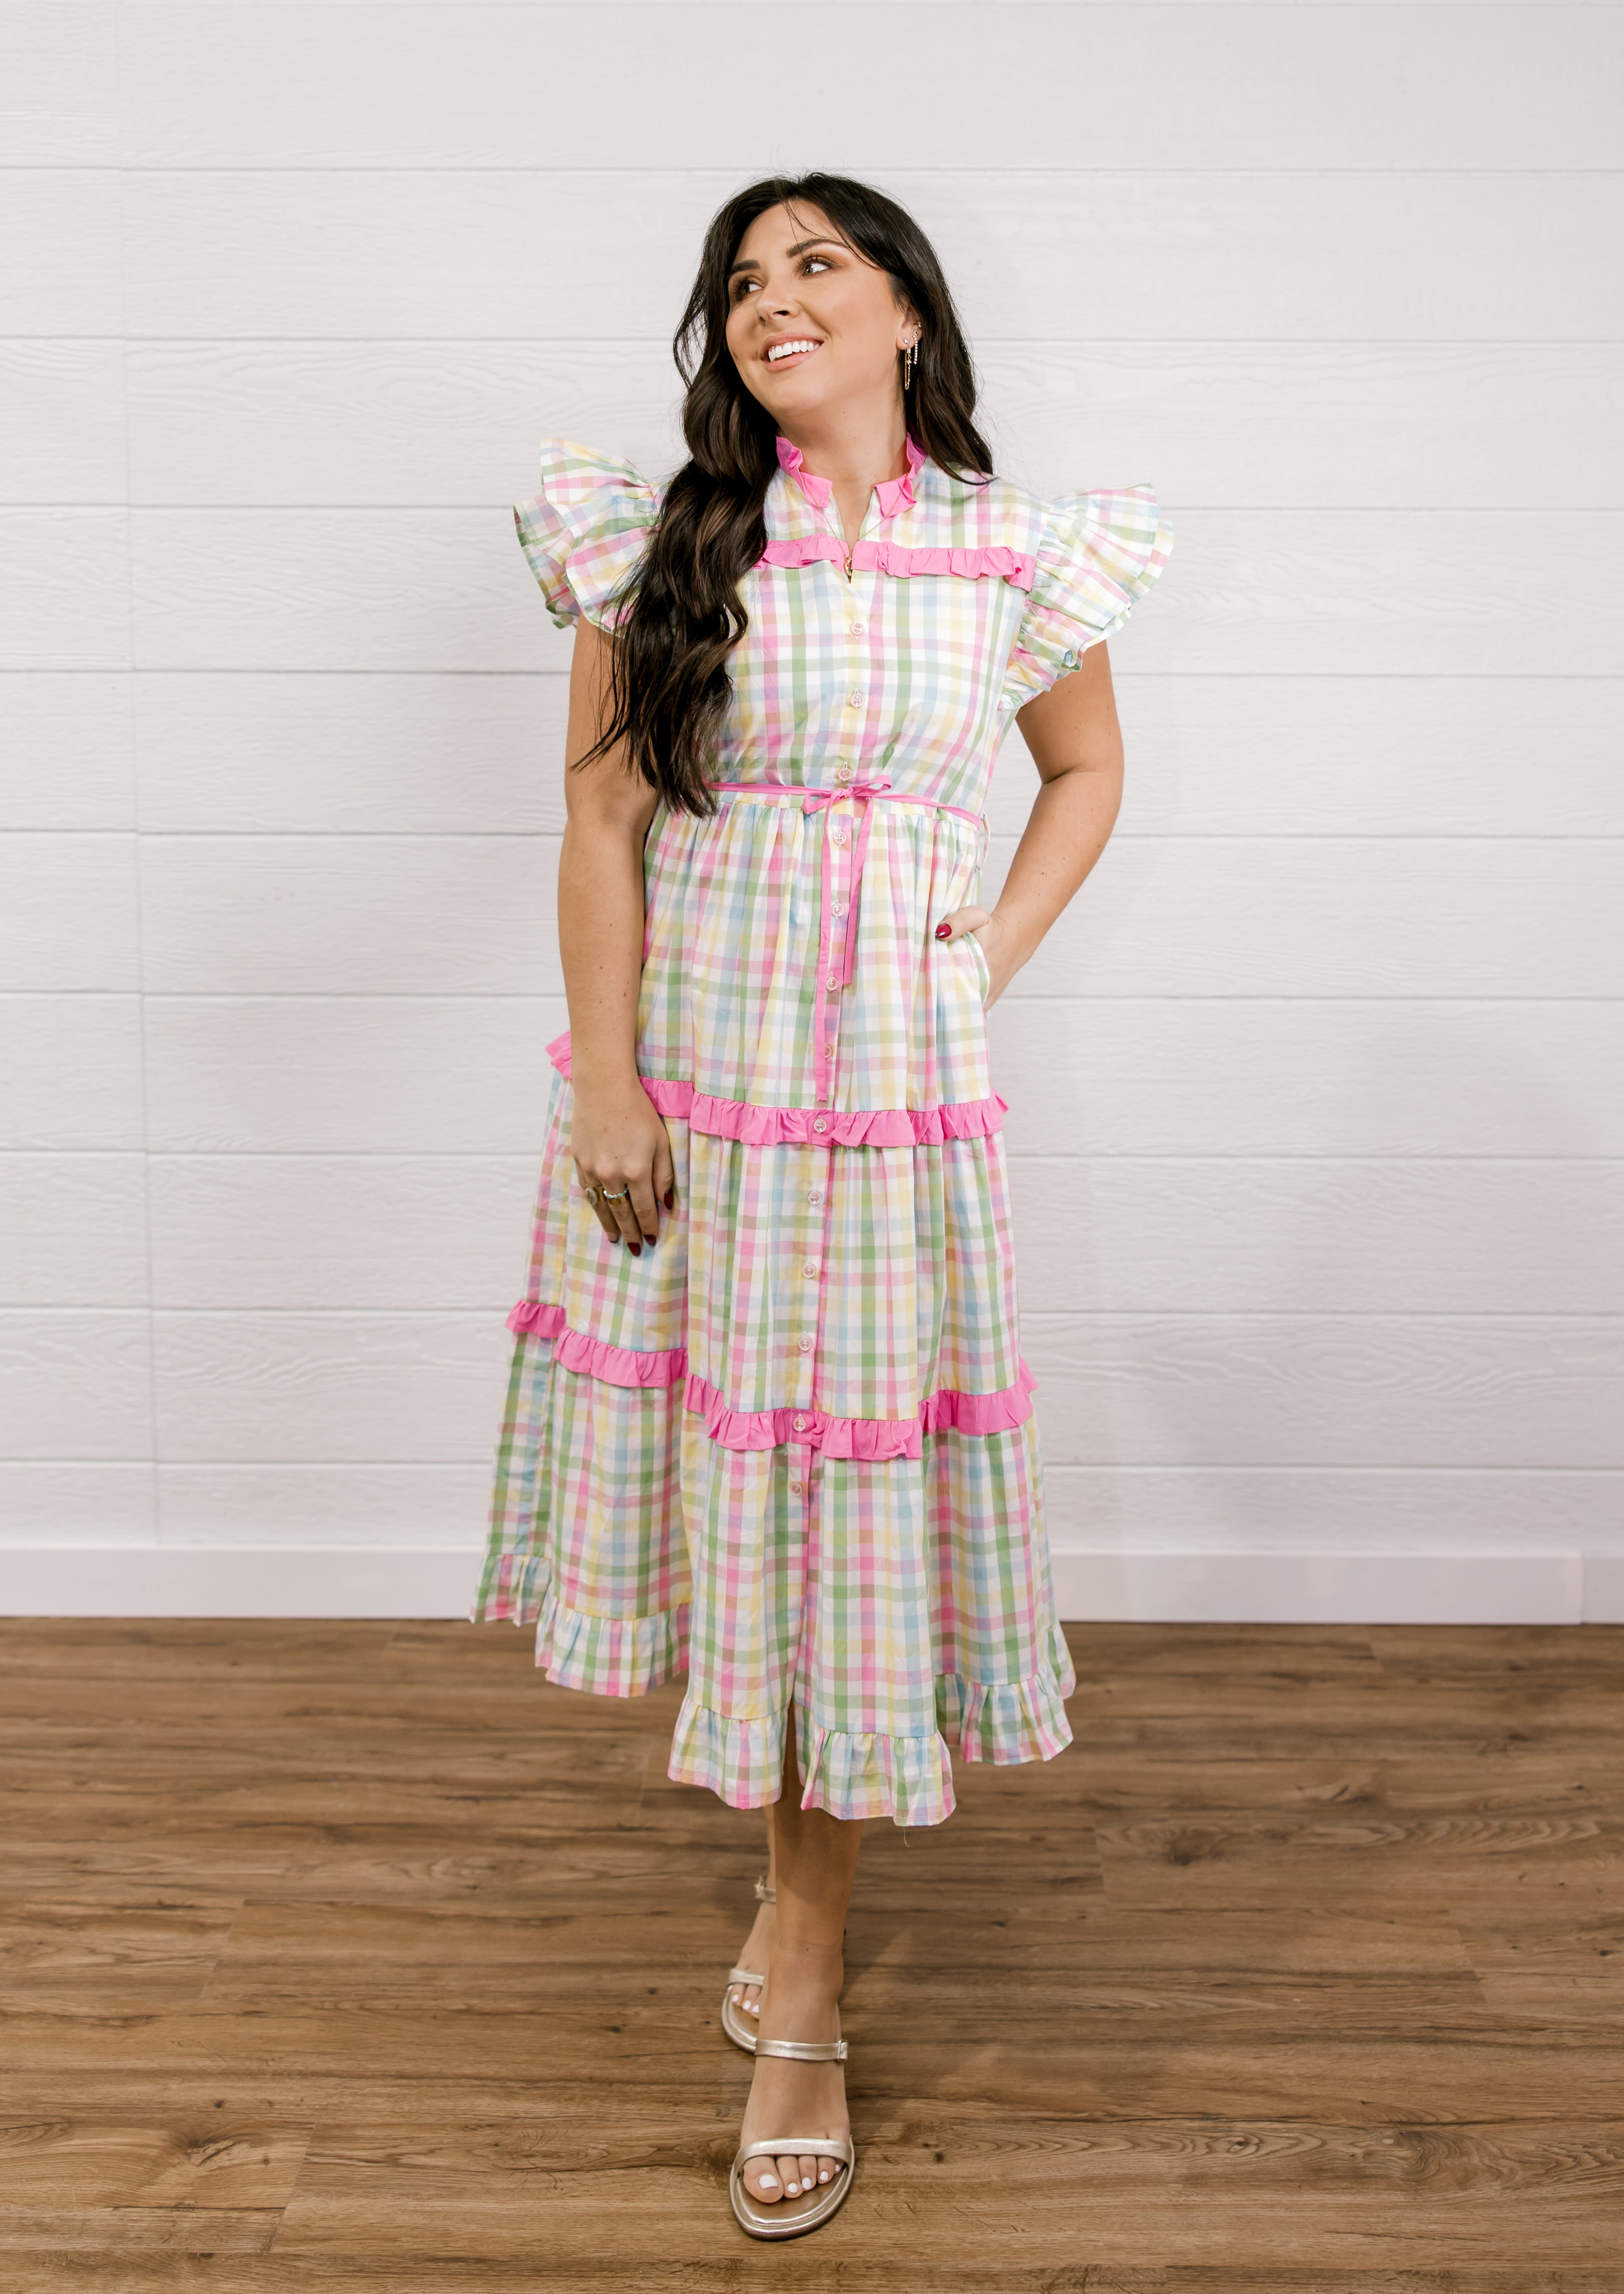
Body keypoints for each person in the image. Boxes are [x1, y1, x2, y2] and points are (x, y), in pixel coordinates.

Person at [474, 173, 1172, 2239]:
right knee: (734, 1501)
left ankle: (803, 1988)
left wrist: (980, 958)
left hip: (894, 1103)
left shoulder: (1010, 551)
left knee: (842, 1512)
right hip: (702, 1076)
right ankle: (794, 1939)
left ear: (906, 317)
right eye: (742, 282)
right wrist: (607, 1074)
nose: (770, 301)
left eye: (815, 267)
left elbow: (1085, 776)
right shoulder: (675, 537)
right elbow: (602, 815)